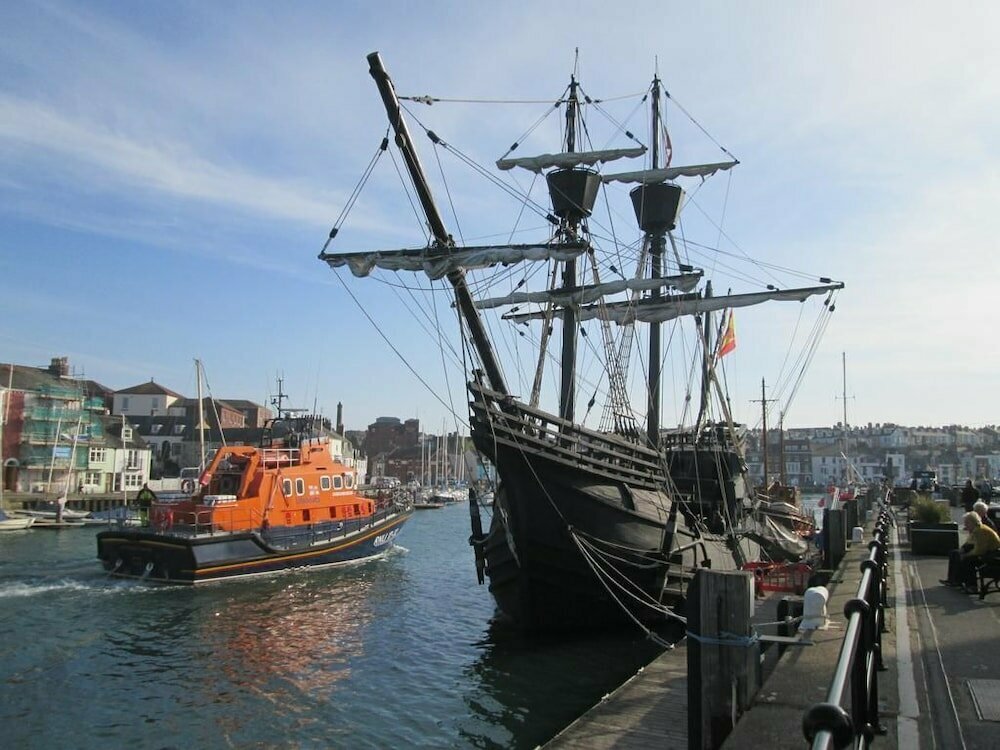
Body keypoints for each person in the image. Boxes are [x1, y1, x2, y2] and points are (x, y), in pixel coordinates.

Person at [940, 511, 1000, 592]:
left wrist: (966, 555)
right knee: (954, 553)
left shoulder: (980, 531)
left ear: (972, 522)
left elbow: (979, 550)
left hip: (993, 556)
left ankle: (972, 586)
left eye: (966, 523)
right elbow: (969, 542)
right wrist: (962, 550)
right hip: (986, 553)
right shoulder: (975, 530)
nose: (965, 525)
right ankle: (954, 580)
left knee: (968, 560)